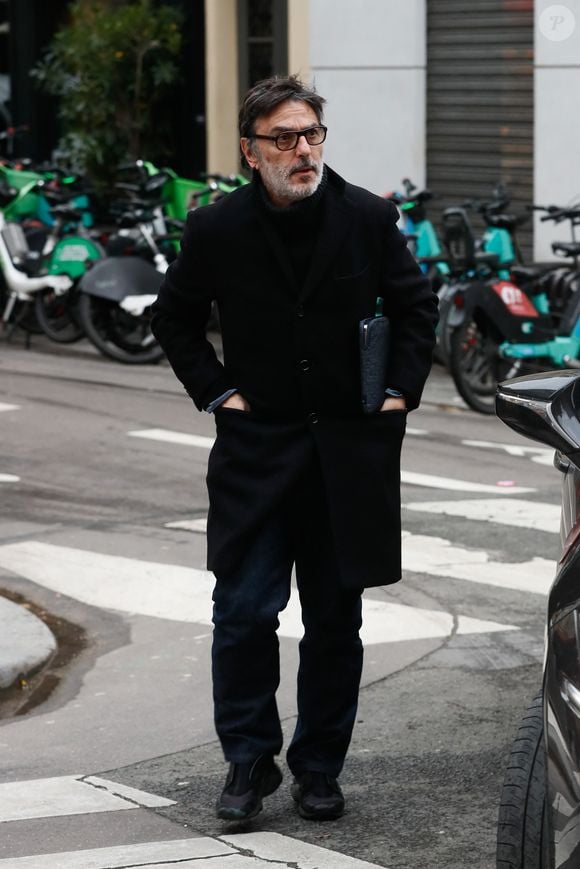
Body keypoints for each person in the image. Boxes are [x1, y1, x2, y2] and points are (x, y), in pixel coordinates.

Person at [151, 75, 438, 823]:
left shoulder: (370, 218)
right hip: (256, 451)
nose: (302, 149)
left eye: (310, 133)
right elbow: (174, 318)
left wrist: (400, 392)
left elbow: (415, 307)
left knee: (335, 623)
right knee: (243, 612)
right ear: (251, 151)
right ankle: (249, 759)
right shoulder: (216, 229)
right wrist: (220, 393)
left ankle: (318, 767)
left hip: (349, 454)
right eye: (283, 138)